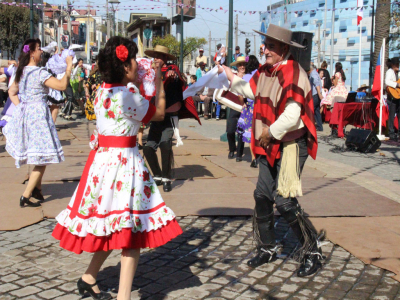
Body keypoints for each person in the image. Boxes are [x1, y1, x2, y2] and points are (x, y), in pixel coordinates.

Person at [52, 37, 182, 300]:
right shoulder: (128, 95)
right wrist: (158, 81)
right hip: (125, 167)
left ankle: (89, 277)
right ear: (124, 66)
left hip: (103, 165)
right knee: (130, 230)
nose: (137, 63)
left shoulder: (102, 91)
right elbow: (158, 112)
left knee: (115, 225)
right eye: (134, 59)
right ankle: (124, 296)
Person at [218, 24, 323, 277]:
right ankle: (267, 247)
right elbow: (251, 91)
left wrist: (268, 132)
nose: (265, 50)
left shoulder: (294, 71)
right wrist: (231, 77)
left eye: (271, 46)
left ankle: (312, 251)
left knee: (284, 200)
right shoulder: (266, 71)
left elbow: (292, 114)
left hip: (290, 144)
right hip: (271, 141)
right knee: (262, 195)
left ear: (284, 49)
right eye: (266, 45)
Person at [4, 39, 73, 207]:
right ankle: (26, 195)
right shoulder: (39, 73)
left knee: (38, 154)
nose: (42, 51)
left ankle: (38, 189)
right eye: (39, 49)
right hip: (39, 117)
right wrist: (69, 66)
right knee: (42, 157)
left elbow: (11, 92)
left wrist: (21, 108)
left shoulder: (22, 72)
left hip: (28, 116)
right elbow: (62, 85)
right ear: (32, 53)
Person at [143, 45, 200, 192]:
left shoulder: (171, 69)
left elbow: (174, 76)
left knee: (165, 144)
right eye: (155, 56)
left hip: (169, 116)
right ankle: (157, 174)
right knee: (148, 148)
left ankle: (167, 177)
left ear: (166, 58)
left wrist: (170, 76)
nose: (156, 58)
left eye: (159, 56)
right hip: (156, 116)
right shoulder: (149, 73)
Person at [236, 55, 260, 168]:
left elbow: (240, 95)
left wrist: (243, 103)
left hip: (250, 107)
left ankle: (254, 158)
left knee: (251, 133)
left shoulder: (246, 77)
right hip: (262, 106)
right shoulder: (261, 75)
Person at [227, 56, 246, 160]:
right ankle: (231, 149)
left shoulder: (249, 77)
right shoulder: (233, 76)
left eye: (243, 64)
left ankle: (239, 153)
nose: (242, 66)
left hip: (244, 107)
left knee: (241, 132)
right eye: (240, 65)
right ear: (237, 66)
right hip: (234, 106)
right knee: (230, 131)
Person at [385, 57, 400, 140]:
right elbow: (387, 82)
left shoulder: (398, 73)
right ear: (393, 65)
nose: (398, 65)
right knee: (392, 115)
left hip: (398, 96)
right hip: (391, 97)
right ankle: (391, 132)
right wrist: (397, 85)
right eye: (397, 64)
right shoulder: (389, 72)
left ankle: (398, 132)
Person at [307, 64, 324, 131]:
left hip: (315, 95)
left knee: (310, 110)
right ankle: (320, 127)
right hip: (316, 95)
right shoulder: (315, 73)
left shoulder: (313, 74)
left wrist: (319, 94)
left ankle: (309, 126)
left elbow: (317, 84)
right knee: (317, 111)